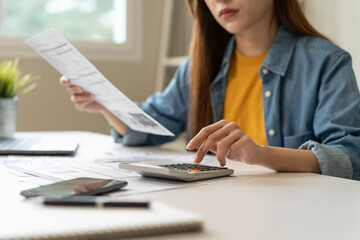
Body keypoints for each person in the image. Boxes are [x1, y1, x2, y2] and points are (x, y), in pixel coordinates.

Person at [60, 0, 360, 180]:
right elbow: (152, 125)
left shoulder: (326, 62)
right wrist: (104, 104)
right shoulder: (201, 65)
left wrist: (260, 154)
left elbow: (350, 157)